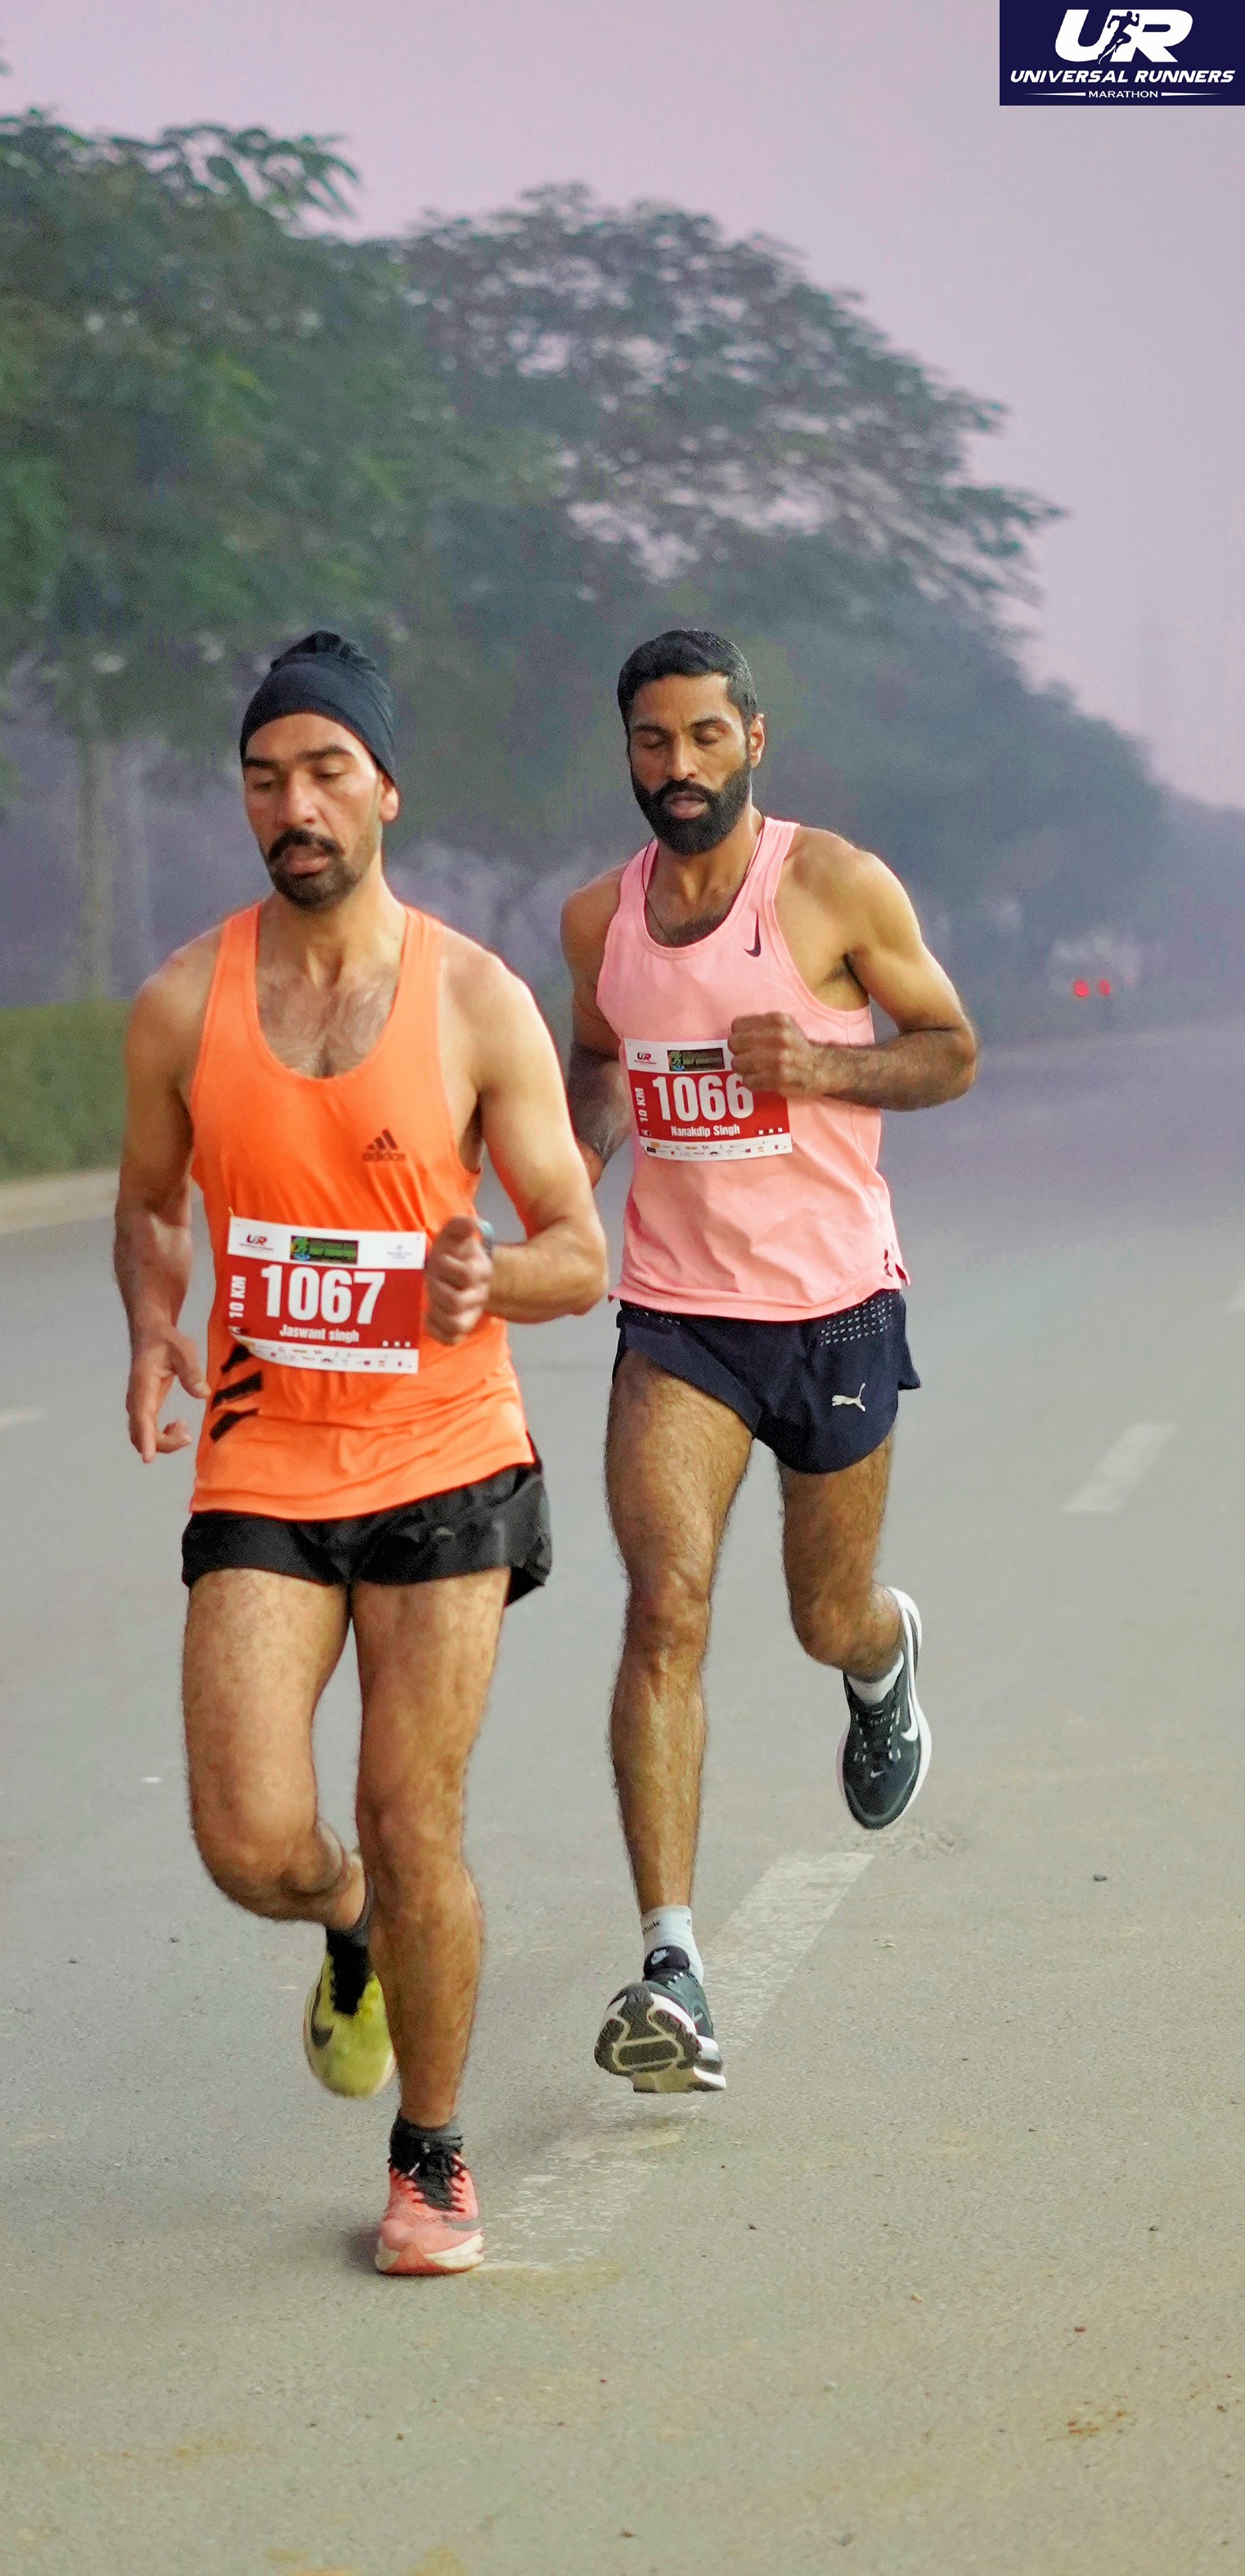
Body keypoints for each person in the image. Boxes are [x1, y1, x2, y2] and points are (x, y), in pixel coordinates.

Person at [115, 632, 608, 2272]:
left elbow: (578, 1247)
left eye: (327, 771)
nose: (295, 805)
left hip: (445, 1456)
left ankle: (433, 2154)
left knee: (412, 1813)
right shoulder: (182, 1002)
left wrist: (495, 1277)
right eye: (266, 779)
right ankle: (348, 1929)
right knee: (253, 1838)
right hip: (265, 1453)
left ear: (386, 789)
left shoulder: (475, 999)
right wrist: (154, 1321)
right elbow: (148, 1202)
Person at [560, 628, 978, 2097]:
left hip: (838, 1310)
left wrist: (823, 1067)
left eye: (703, 737)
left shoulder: (833, 886)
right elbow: (599, 1061)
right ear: (628, 751)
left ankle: (883, 1657)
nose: (677, 767)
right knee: (665, 1609)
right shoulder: (596, 921)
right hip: (678, 1320)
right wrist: (566, 1176)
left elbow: (950, 1047)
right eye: (651, 741)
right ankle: (673, 1969)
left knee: (820, 1615)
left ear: (753, 738)